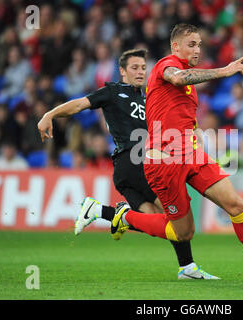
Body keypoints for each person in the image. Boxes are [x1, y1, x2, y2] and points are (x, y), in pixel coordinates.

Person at [109, 24, 243, 284]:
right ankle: (126, 217)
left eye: (199, 45)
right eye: (191, 44)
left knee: (236, 205)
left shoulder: (189, 83)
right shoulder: (165, 66)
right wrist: (224, 71)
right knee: (183, 232)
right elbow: (177, 77)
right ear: (175, 46)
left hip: (191, 154)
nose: (197, 49)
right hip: (164, 160)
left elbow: (184, 115)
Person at [37, 48, 218, 280]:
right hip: (133, 162)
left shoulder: (151, 98)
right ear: (122, 71)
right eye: (134, 68)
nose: (140, 72)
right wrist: (49, 114)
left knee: (157, 220)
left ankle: (101, 211)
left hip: (135, 168)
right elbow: (79, 105)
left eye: (143, 67)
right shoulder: (113, 92)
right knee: (175, 218)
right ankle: (187, 266)